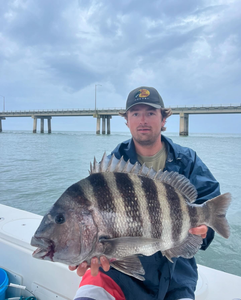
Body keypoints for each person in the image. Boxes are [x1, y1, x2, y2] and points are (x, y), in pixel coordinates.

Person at [70, 86, 220, 300]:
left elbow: (209, 203)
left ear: (163, 119)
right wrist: (85, 249)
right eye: (136, 113)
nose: (143, 120)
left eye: (150, 113)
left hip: (176, 272)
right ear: (127, 120)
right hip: (119, 271)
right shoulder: (113, 166)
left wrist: (205, 230)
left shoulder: (187, 160)